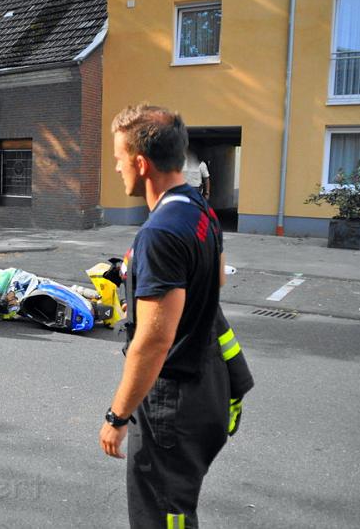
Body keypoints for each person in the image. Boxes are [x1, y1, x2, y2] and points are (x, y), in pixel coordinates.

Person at [100, 104, 228, 528]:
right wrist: (139, 283)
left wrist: (117, 417)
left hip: (172, 404)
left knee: (163, 516)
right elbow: (216, 280)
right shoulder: (199, 207)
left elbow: (153, 342)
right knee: (175, 506)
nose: (118, 169)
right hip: (205, 389)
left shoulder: (160, 232)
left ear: (140, 163)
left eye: (119, 160)